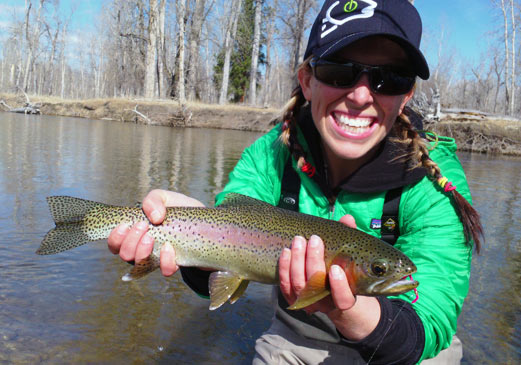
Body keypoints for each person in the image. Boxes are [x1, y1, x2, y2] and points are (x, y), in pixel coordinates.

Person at [108, 0, 483, 363]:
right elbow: (227, 243)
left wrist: (347, 311)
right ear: (306, 80)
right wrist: (180, 226)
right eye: (339, 71)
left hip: (408, 356)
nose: (360, 95)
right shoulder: (270, 155)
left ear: (406, 96)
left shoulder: (436, 182)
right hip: (295, 346)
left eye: (390, 78)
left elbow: (431, 320)